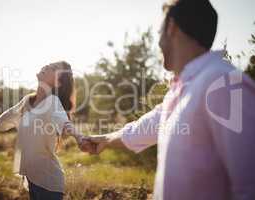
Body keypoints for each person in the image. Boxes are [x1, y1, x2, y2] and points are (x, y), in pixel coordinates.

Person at [69, 0, 255, 199]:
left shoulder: (224, 83)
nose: (157, 42)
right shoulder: (180, 90)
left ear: (172, 27)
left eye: (159, 33)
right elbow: (142, 129)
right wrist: (104, 140)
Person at [0, 61, 92, 200]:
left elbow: (64, 123)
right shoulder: (28, 100)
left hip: (49, 182)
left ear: (58, 83)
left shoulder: (52, 102)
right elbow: (10, 115)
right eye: (50, 65)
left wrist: (79, 137)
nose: (47, 66)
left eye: (54, 68)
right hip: (32, 178)